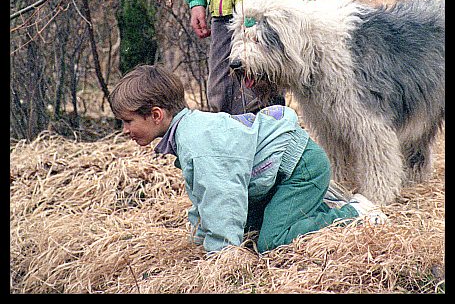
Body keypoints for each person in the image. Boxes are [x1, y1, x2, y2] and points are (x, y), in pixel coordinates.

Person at [109, 65, 387, 255]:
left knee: (272, 241)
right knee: (248, 229)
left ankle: (355, 214)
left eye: (128, 121)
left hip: (300, 169)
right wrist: (200, 238)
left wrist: (222, 254)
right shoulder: (188, 133)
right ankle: (317, 206)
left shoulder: (196, 141)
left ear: (156, 115)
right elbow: (204, 195)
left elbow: (223, 196)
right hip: (281, 174)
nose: (124, 130)